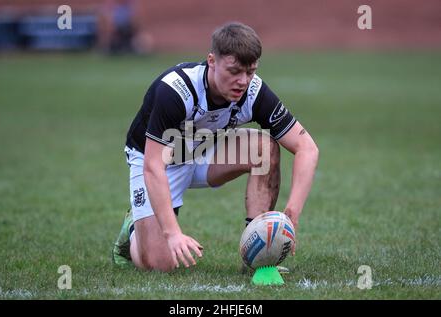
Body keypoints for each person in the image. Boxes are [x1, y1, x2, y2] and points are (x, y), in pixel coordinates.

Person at [112, 22, 319, 272]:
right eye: (234, 71)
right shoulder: (177, 90)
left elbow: (307, 147)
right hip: (157, 160)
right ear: (212, 60)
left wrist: (292, 212)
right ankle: (133, 228)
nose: (242, 81)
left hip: (201, 150)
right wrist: (173, 233)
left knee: (263, 147)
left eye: (250, 71)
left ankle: (257, 256)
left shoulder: (253, 92)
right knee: (159, 264)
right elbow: (153, 165)